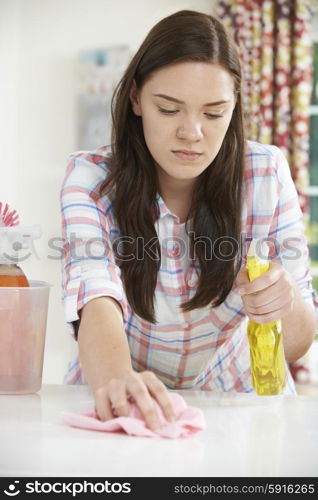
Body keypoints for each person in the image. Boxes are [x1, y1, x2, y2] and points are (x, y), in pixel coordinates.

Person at [60, 10, 317, 432]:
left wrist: (281, 304)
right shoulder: (90, 179)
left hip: (240, 406)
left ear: (233, 109)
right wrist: (119, 382)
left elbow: (298, 344)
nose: (192, 132)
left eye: (214, 114)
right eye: (169, 109)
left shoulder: (266, 173)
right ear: (137, 99)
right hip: (119, 393)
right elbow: (94, 293)